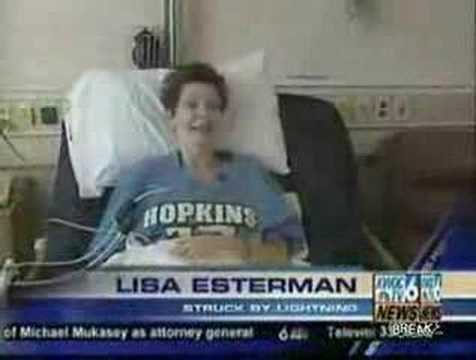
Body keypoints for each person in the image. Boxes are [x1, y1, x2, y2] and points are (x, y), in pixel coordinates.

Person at [88, 63, 307, 267]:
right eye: (191, 105)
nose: (203, 113)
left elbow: (289, 249)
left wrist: (243, 249)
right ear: (172, 117)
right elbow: (102, 259)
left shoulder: (250, 174)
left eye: (213, 107)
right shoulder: (141, 176)